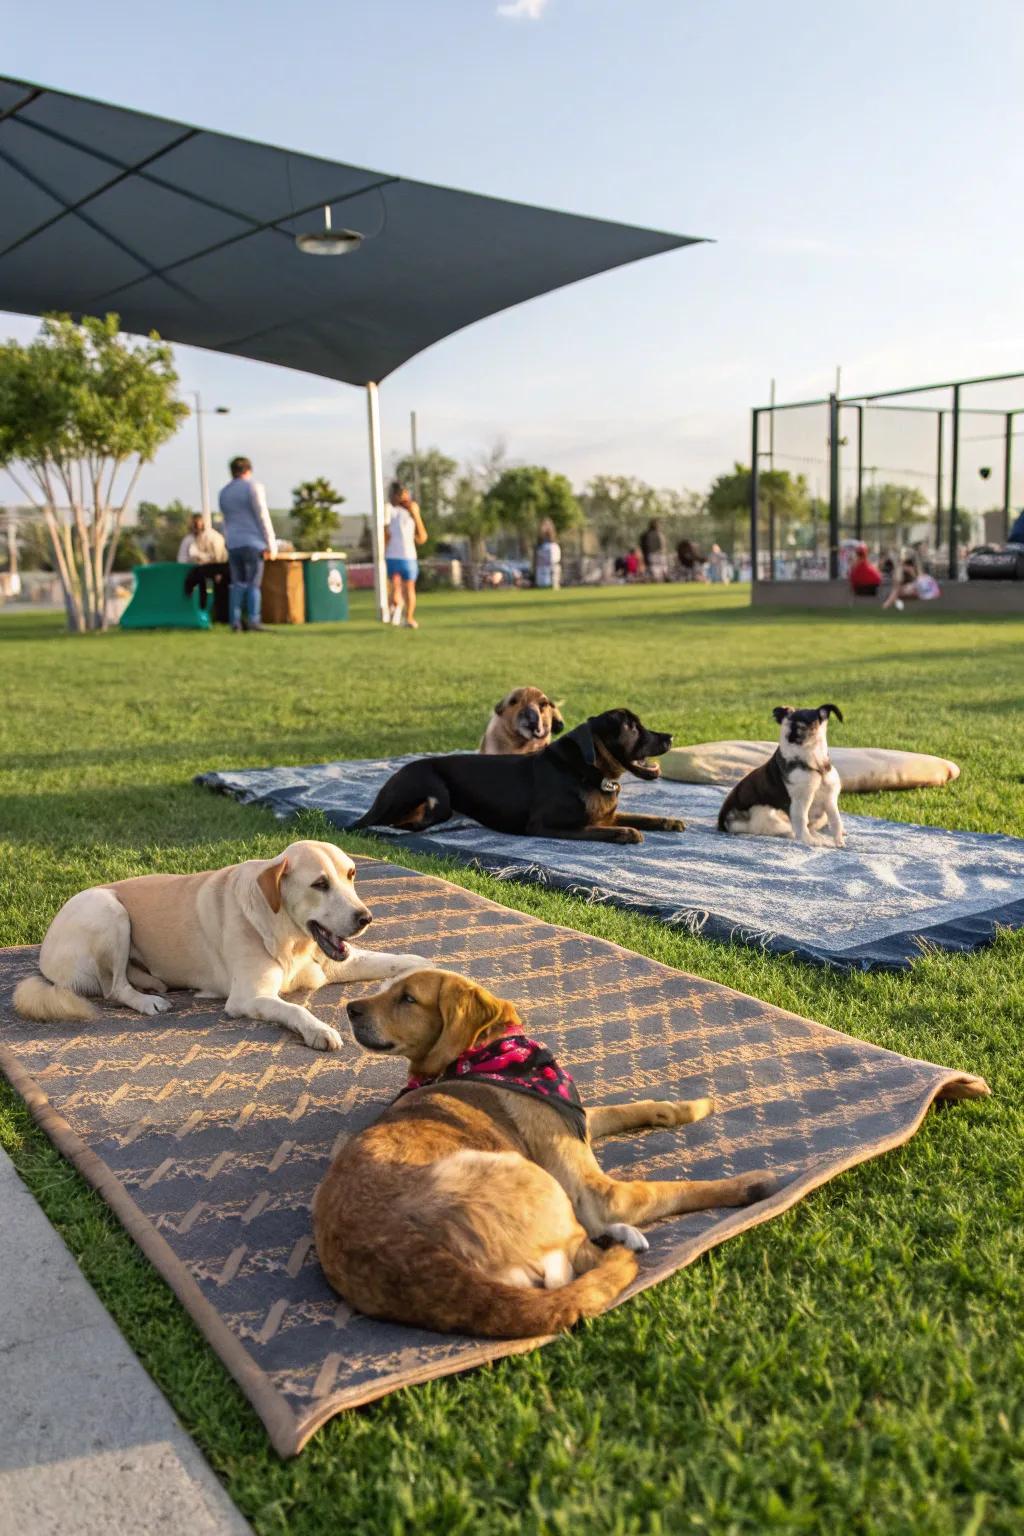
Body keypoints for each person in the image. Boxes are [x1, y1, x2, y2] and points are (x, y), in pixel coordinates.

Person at [217, 456, 278, 632]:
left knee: (237, 584)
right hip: (253, 543)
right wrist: (271, 543)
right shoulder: (253, 487)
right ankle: (253, 620)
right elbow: (262, 515)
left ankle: (235, 621)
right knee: (253, 584)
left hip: (233, 543)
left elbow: (225, 521)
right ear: (248, 470)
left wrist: (227, 541)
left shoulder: (224, 492)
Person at [385, 480, 427, 628]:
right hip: (392, 555)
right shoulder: (389, 510)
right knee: (395, 586)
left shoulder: (412, 512)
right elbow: (385, 534)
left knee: (409, 588)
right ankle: (395, 608)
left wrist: (415, 514)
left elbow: (422, 538)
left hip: (409, 556)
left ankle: (408, 618)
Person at [534, 518, 562, 590]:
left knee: (554, 577)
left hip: (553, 563)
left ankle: (554, 586)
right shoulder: (541, 540)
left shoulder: (553, 541)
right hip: (543, 564)